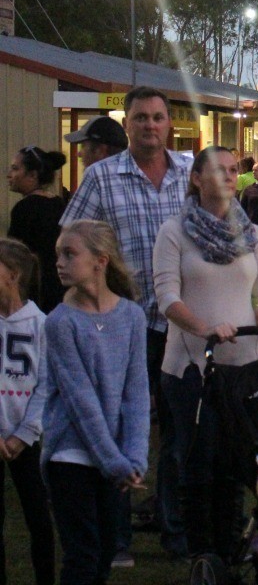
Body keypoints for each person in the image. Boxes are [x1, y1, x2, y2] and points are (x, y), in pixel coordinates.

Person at [59, 85, 189, 562]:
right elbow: (70, 239)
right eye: (140, 118)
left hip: (180, 324)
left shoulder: (189, 173)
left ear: (168, 123)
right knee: (118, 427)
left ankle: (174, 528)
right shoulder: (101, 177)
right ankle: (116, 538)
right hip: (122, 325)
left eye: (157, 118)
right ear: (127, 124)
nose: (150, 125)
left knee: (177, 432)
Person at [153, 147, 258, 560]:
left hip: (242, 367)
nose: (230, 176)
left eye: (234, 169)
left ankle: (230, 547)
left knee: (236, 462)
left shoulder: (250, 233)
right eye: (219, 170)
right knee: (199, 461)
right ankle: (201, 551)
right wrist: (204, 329)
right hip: (191, 367)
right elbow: (166, 297)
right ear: (197, 178)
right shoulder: (174, 231)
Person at [42, 220, 149, 584]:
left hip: (113, 458)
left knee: (105, 553)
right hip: (70, 455)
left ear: (100, 261)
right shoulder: (59, 322)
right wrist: (115, 462)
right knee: (83, 556)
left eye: (70, 253)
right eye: (58, 254)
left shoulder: (132, 316)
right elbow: (80, 400)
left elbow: (136, 393)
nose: (59, 262)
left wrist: (134, 457)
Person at [0, 239, 55, 584]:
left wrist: (24, 434)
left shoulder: (41, 324)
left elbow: (46, 385)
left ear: (13, 276)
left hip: (26, 440)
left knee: (38, 516)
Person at [7, 145, 68, 312]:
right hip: (61, 288)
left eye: (15, 168)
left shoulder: (24, 209)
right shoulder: (59, 204)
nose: (9, 175)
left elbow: (13, 256)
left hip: (36, 291)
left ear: (32, 175)